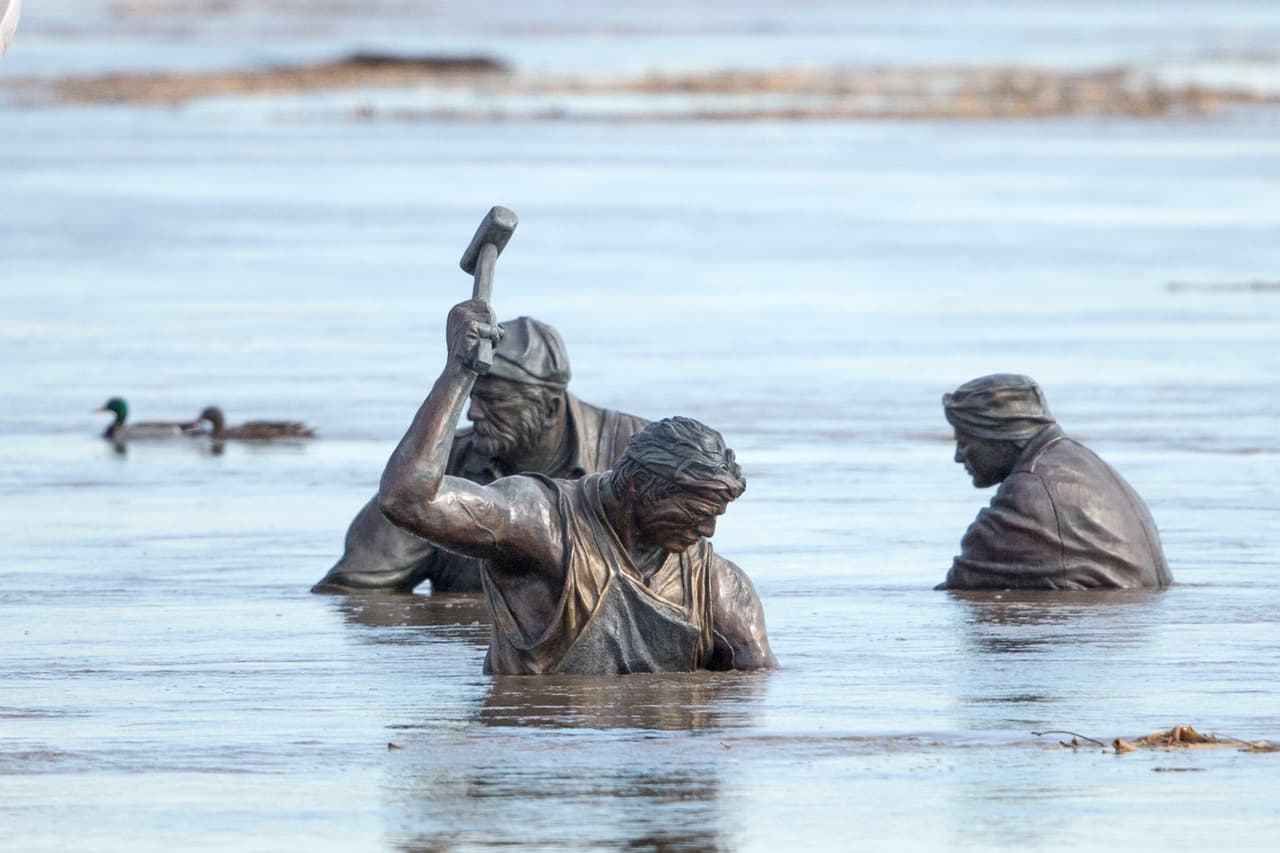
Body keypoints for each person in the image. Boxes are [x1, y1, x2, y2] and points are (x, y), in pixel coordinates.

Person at [377, 299, 777, 674]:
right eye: (695, 513)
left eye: (714, 516)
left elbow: (754, 697)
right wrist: (457, 374)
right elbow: (408, 499)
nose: (708, 532)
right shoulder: (542, 523)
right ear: (637, 484)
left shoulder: (720, 587)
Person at [313, 316, 648, 595]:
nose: (473, 414)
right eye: (473, 397)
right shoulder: (441, 473)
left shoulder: (637, 454)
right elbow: (353, 589)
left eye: (493, 400)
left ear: (550, 408)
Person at [939, 373, 1172, 591]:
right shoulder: (1085, 461)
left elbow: (962, 584)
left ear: (996, 434)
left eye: (964, 441)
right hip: (1127, 619)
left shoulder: (1028, 492)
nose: (959, 456)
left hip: (1099, 621)